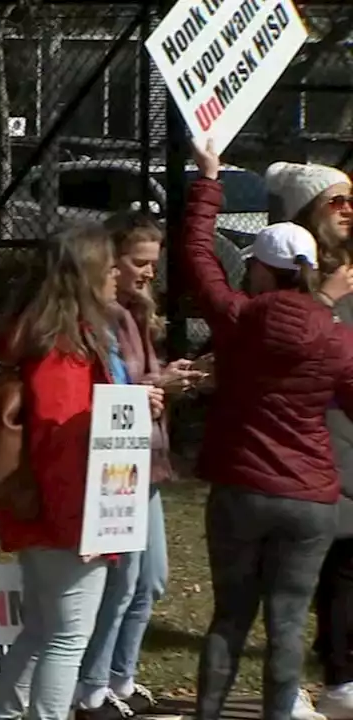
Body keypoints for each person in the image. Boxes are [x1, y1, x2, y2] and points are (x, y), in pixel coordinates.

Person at [182, 141, 353, 720]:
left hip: (240, 485)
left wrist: (210, 181)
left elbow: (198, 255)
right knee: (286, 618)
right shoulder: (335, 334)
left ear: (258, 266)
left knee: (230, 615)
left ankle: (209, 712)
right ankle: (282, 712)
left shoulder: (236, 319)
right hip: (309, 497)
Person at [0, 224, 165, 720]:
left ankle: (2, 714)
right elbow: (60, 446)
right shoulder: (64, 351)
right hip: (66, 516)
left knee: (44, 629)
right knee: (67, 637)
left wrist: (132, 401)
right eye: (109, 267)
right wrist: (77, 528)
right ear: (86, 276)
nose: (117, 276)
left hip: (54, 512)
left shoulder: (59, 341)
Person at [73, 212, 204, 720]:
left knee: (150, 579)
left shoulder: (132, 313)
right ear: (110, 260)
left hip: (144, 460)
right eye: (138, 262)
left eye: (154, 263)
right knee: (124, 579)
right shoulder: (100, 317)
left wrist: (165, 377)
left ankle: (120, 678)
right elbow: (104, 392)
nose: (148, 273)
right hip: (116, 464)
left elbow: (133, 379)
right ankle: (93, 685)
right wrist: (154, 386)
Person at [269, 161, 353, 720]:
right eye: (336, 201)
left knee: (347, 558)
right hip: (306, 434)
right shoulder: (295, 276)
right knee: (302, 568)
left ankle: (341, 675)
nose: (348, 210)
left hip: (347, 427)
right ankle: (293, 685)